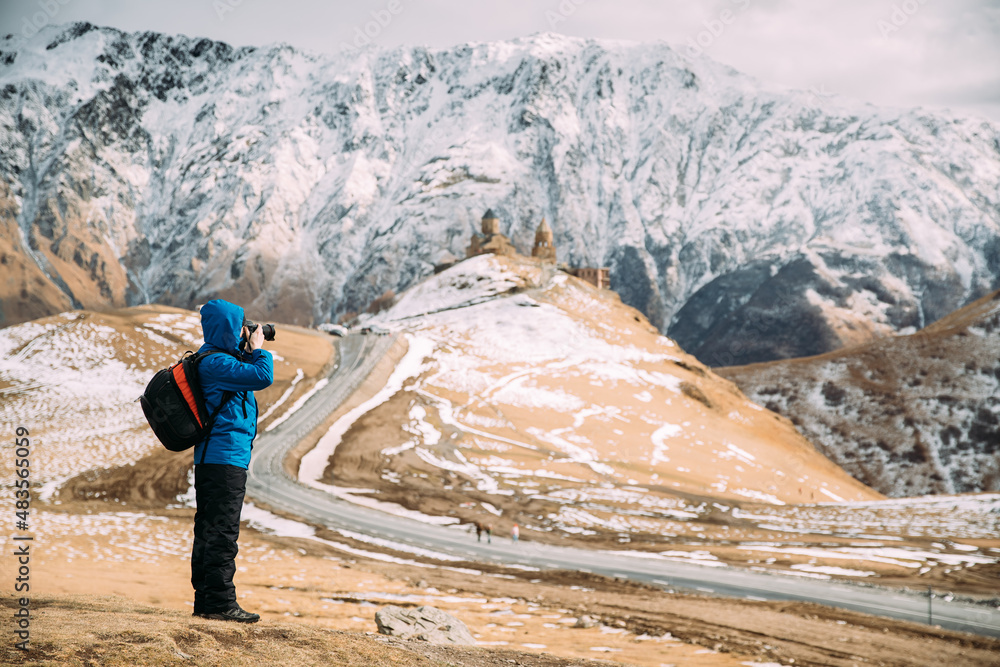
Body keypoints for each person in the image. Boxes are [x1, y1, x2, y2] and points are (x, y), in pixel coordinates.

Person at [190, 299, 273, 623]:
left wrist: (245, 347)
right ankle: (221, 603)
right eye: (239, 325)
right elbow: (262, 375)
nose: (244, 330)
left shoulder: (214, 359)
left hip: (218, 459)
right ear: (228, 328)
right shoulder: (216, 365)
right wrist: (258, 347)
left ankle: (207, 601)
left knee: (211, 530)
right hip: (223, 460)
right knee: (222, 532)